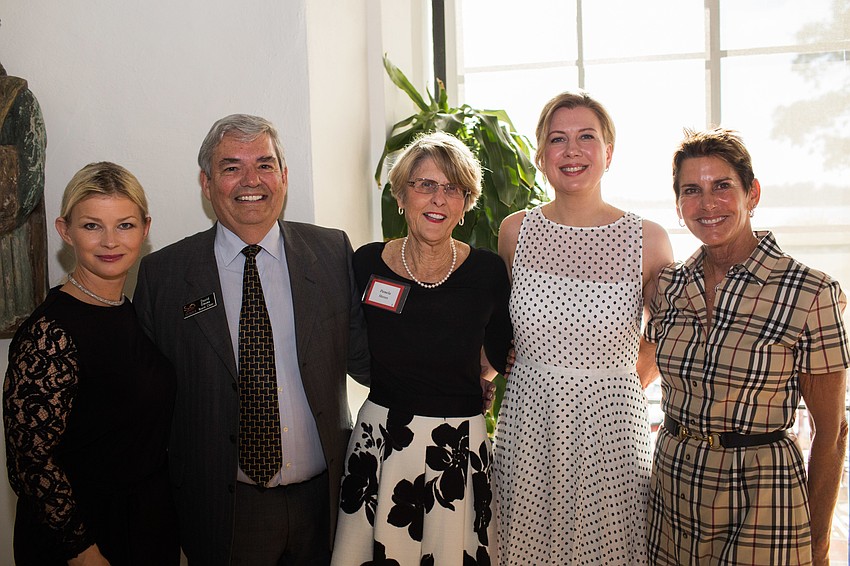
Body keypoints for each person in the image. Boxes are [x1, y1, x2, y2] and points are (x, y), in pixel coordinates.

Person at [133, 114, 370, 565]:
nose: (251, 181)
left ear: (283, 176)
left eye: (264, 165)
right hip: (226, 510)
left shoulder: (331, 252)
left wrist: (462, 364)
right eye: (230, 167)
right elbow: (146, 406)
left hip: (325, 504)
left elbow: (369, 358)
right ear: (206, 183)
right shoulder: (164, 276)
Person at [644, 127, 849, 566]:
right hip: (673, 492)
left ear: (752, 193)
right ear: (679, 207)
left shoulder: (810, 292)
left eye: (722, 186)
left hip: (764, 499)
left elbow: (830, 434)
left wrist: (818, 544)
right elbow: (630, 361)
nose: (708, 203)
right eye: (691, 191)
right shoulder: (667, 287)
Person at [494, 90, 673, 565]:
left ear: (608, 152)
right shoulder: (515, 231)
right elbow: (502, 324)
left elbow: (668, 334)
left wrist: (613, 385)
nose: (571, 151)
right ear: (541, 156)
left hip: (611, 430)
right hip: (530, 425)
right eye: (558, 139)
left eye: (586, 137)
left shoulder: (649, 239)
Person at [331, 131, 513, 565]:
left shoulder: (487, 270)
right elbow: (343, 339)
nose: (438, 199)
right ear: (400, 195)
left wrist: (478, 381)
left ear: (466, 203)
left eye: (452, 188)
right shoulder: (366, 263)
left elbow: (505, 348)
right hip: (382, 442)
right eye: (425, 184)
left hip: (459, 447)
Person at [3, 162, 179, 565]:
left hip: (146, 528)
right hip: (84, 542)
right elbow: (30, 463)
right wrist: (83, 553)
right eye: (92, 226)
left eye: (125, 225)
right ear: (65, 231)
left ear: (145, 229)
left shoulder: (126, 310)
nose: (110, 242)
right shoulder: (49, 333)